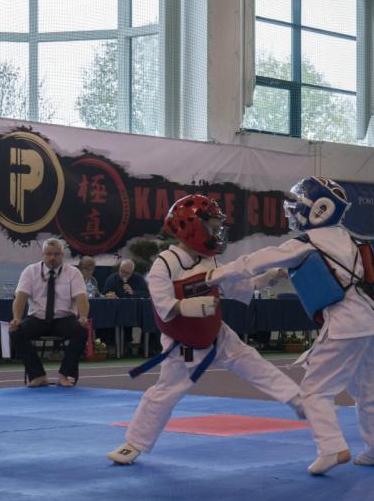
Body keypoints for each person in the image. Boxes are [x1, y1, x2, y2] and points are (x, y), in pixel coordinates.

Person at [207, 177, 374, 475]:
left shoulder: (307, 242)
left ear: (319, 209)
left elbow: (255, 261)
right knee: (368, 393)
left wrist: (214, 276)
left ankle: (331, 447)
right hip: (373, 322)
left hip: (345, 325)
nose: (293, 212)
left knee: (314, 392)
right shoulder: (348, 238)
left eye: (298, 206)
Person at [106, 194, 304, 466]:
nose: (217, 233)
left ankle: (296, 398)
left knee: (251, 361)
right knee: (165, 393)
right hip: (182, 341)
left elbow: (236, 287)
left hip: (214, 332)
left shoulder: (209, 261)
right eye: (212, 227)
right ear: (191, 227)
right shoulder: (166, 263)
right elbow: (163, 307)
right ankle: (133, 444)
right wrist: (191, 306)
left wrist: (265, 279)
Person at [9, 238, 89, 388]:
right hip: (37, 318)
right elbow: (20, 297)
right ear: (43, 255)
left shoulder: (73, 272)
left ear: (62, 255)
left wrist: (83, 317)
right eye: (49, 254)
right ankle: (37, 375)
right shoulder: (30, 271)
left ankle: (64, 375)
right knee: (16, 331)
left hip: (64, 318)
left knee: (81, 330)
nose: (52, 257)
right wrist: (16, 319)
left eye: (56, 254)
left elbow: (82, 298)